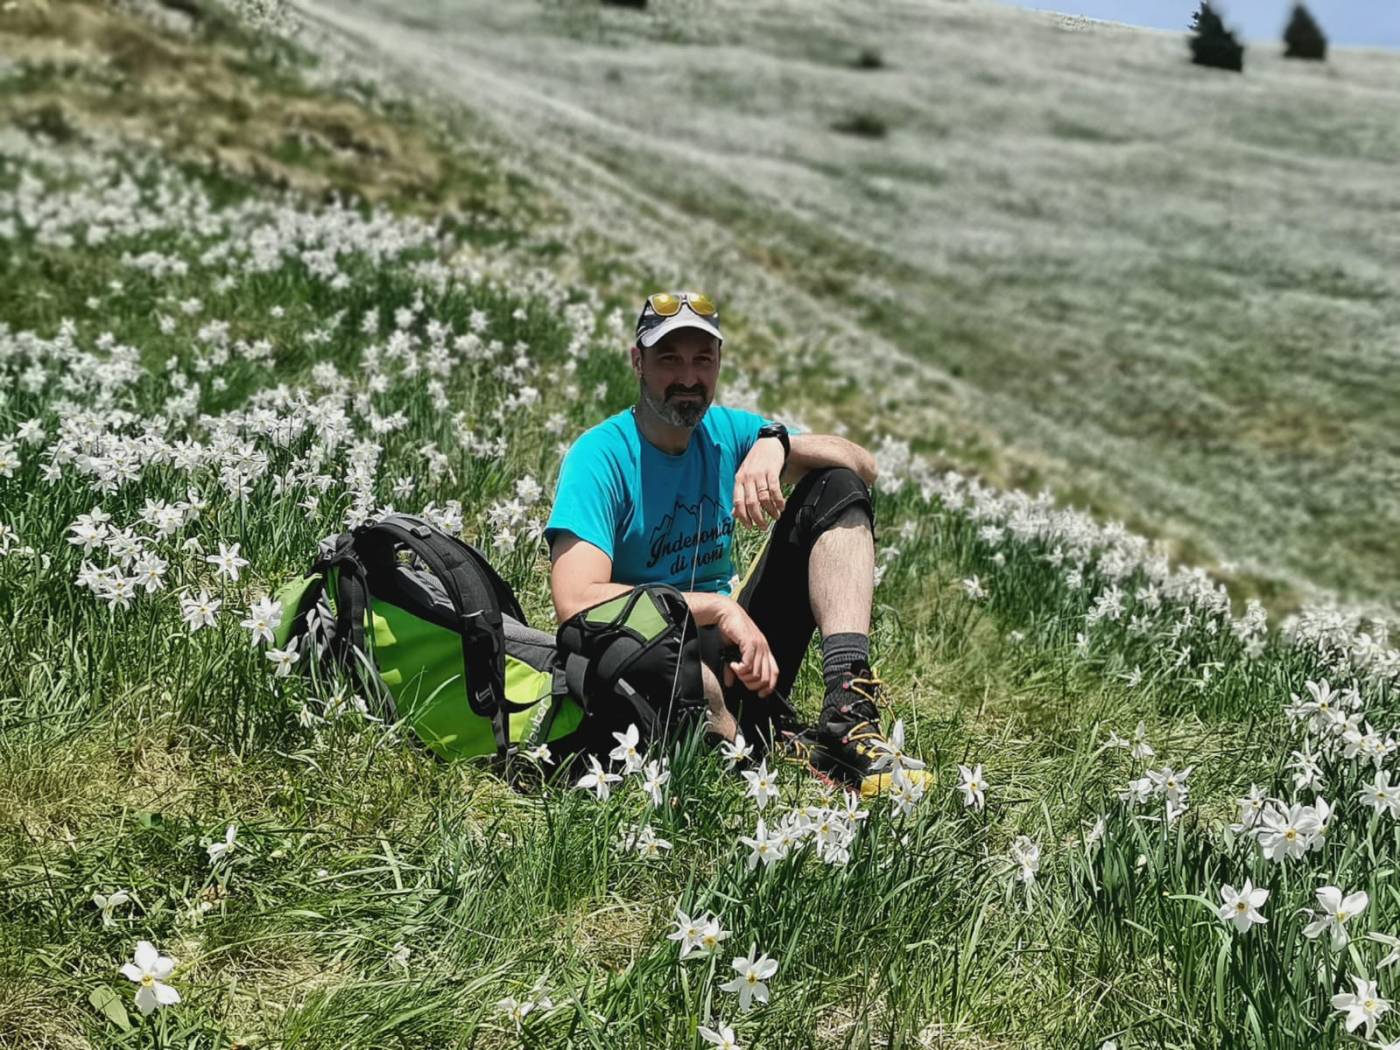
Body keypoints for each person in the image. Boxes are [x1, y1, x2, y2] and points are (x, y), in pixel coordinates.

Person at [543, 290, 926, 796]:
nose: (688, 377)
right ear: (638, 362)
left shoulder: (728, 432)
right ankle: (747, 744)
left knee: (838, 484)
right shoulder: (600, 456)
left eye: (703, 359)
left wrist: (778, 441)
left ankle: (846, 709)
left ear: (719, 364)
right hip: (660, 662)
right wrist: (719, 609)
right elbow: (576, 602)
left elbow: (865, 467)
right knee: (662, 652)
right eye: (669, 359)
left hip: (741, 658)